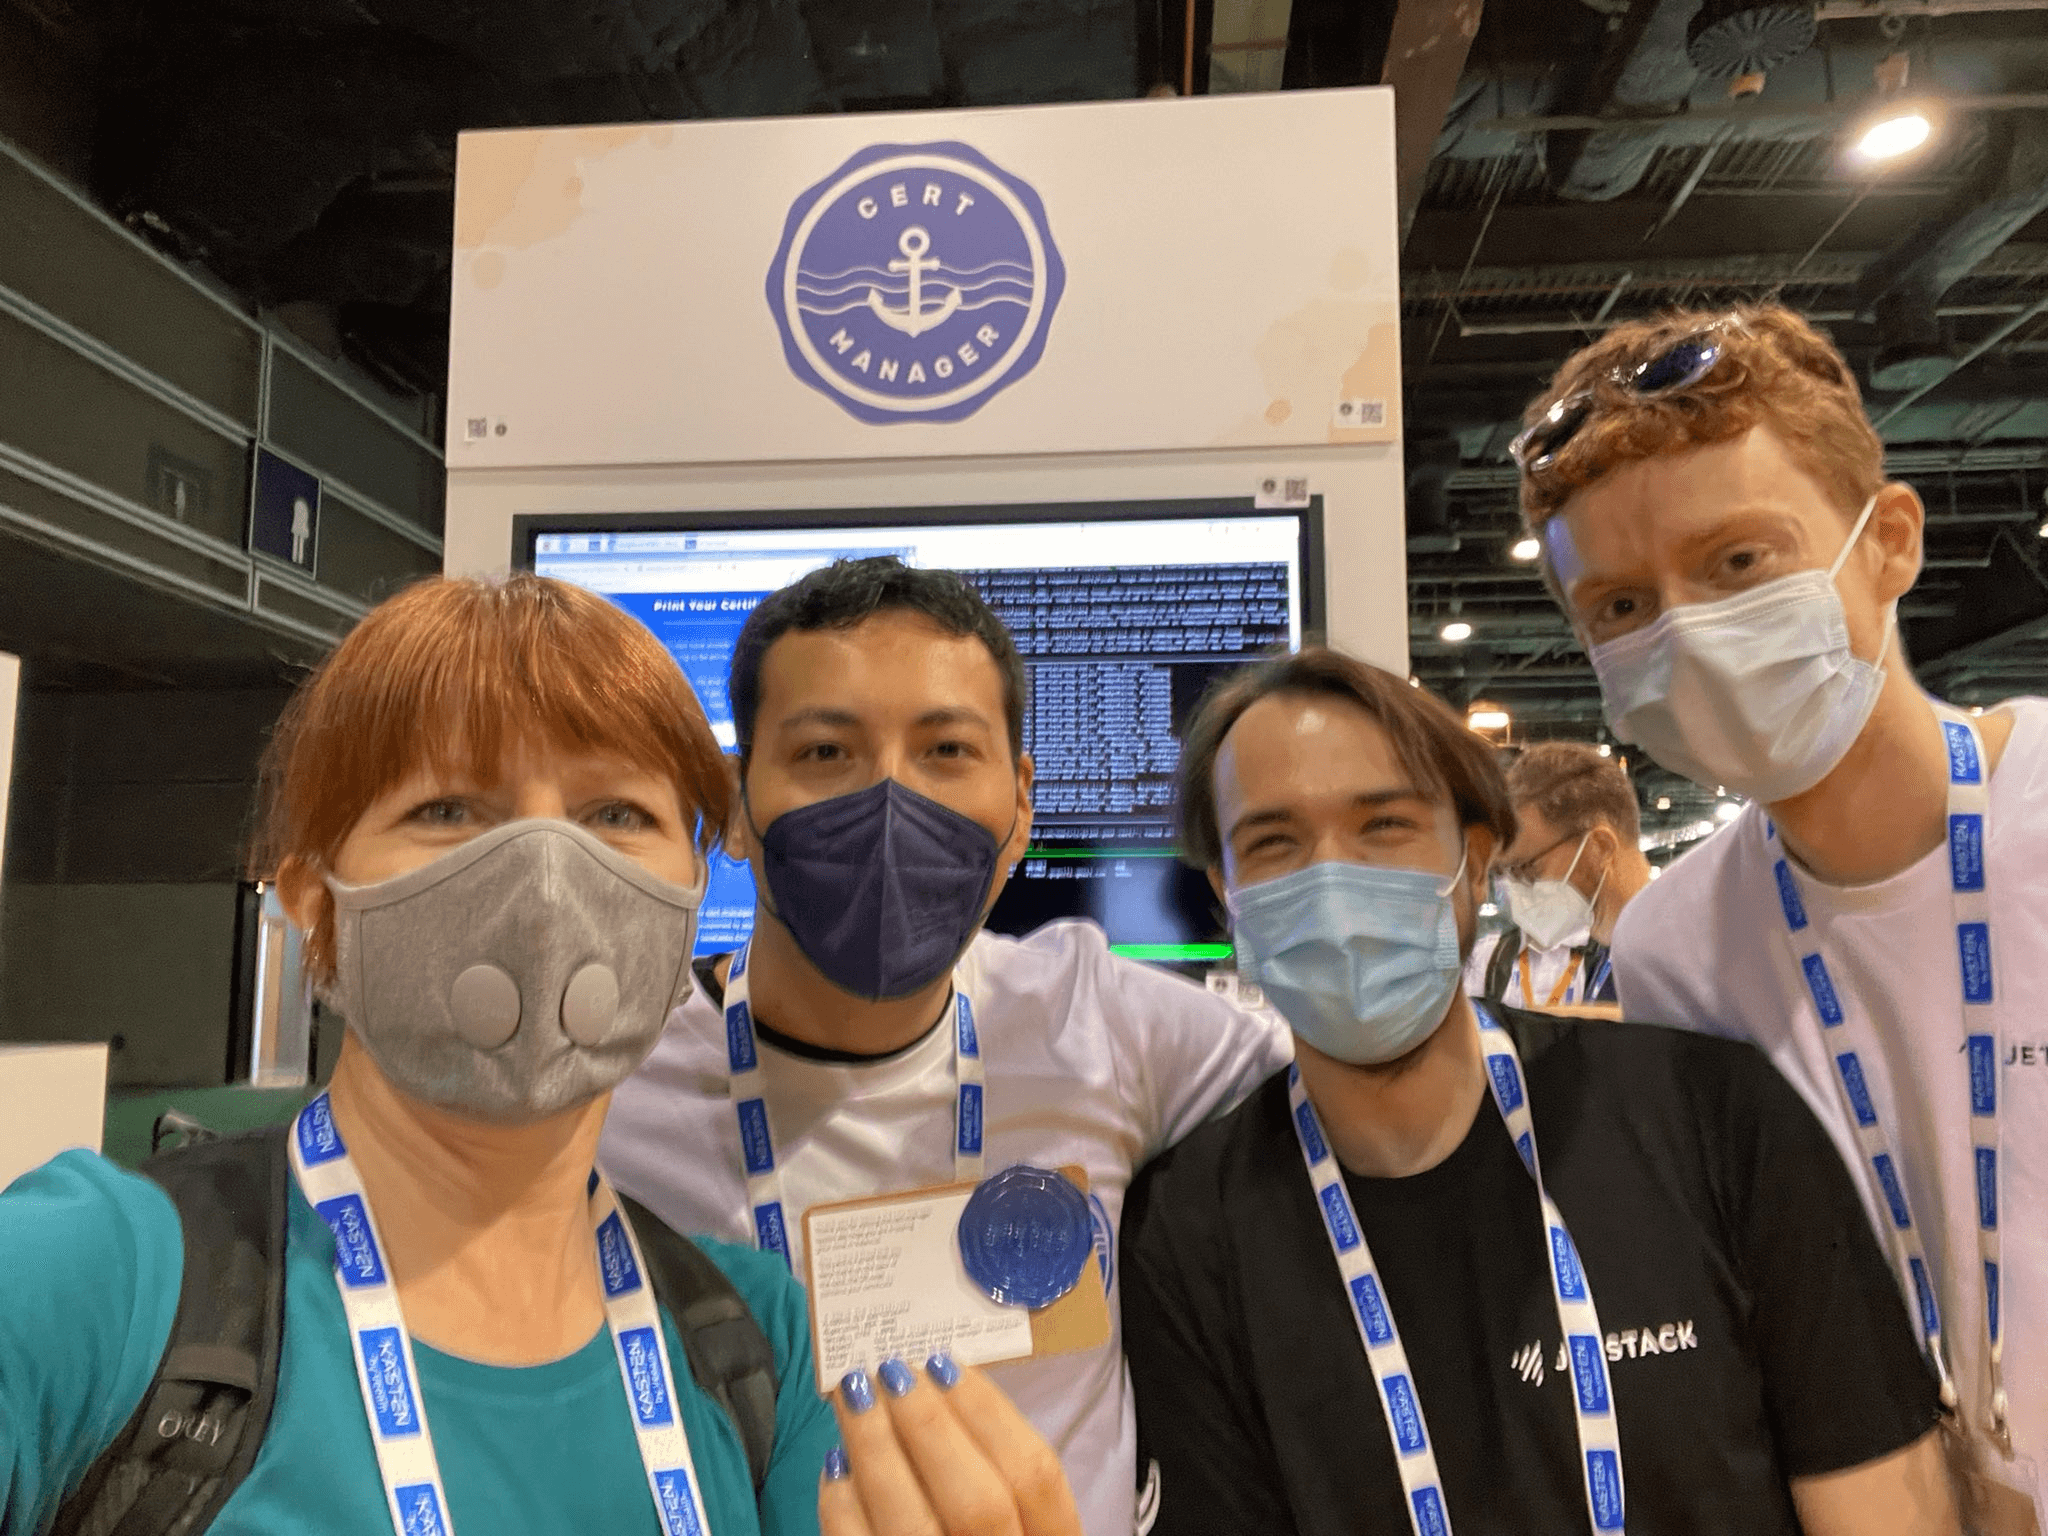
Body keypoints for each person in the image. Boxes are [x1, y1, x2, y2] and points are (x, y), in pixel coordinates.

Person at [0, 574, 1077, 1536]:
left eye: (616, 811)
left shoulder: (756, 1339)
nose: (547, 878)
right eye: (447, 808)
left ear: (684, 903)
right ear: (316, 902)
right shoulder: (94, 1276)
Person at [1119, 645, 1960, 1536]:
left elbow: (1884, 1506)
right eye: (1273, 842)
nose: (1334, 880)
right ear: (1228, 892)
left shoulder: (1709, 1116)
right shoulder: (1188, 1235)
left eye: (1384, 825)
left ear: (1475, 860)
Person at [601, 557, 1293, 1536]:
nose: (891, 800)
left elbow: (1361, 1087)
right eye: (825, 752)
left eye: (946, 751)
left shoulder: (1096, 1019)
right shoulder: (611, 1088)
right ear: (737, 803)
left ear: (1020, 805)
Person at [1515, 302, 2048, 1525]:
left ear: (1888, 543)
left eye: (1736, 562)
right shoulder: (1672, 946)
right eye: (1618, 607)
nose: (1685, 632)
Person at [1468, 742, 1652, 1010]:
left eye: (1527, 869)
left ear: (1600, 848)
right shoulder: (1618, 954)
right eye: (1503, 873)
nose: (1514, 888)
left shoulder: (1681, 959)